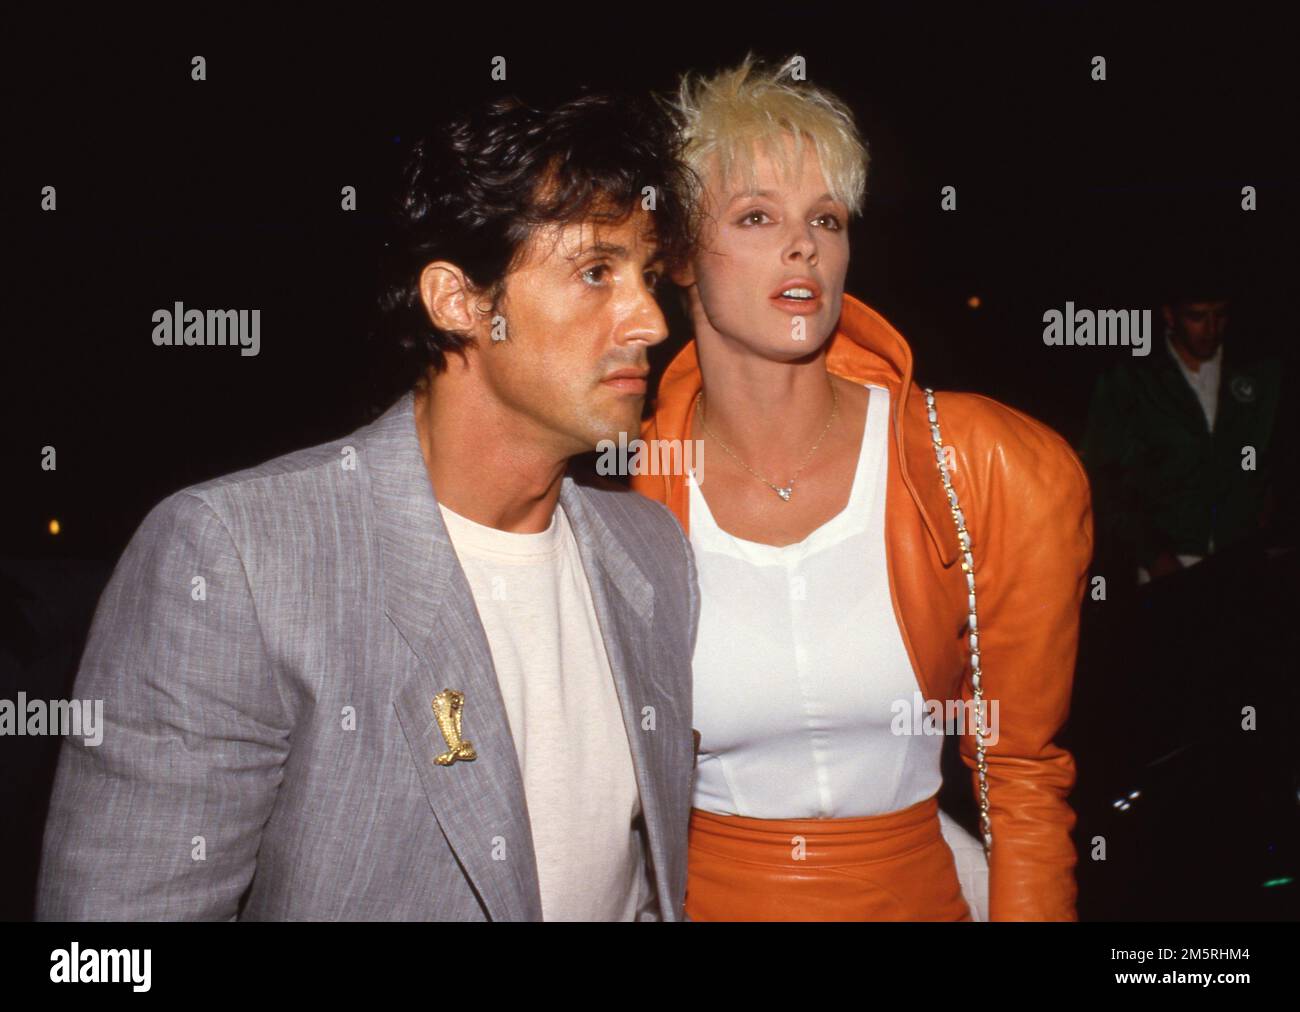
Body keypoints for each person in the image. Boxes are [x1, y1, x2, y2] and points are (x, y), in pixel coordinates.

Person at [36, 91, 700, 921]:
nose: (649, 319)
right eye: (597, 272)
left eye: (645, 276)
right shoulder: (237, 559)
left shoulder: (653, 555)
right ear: (458, 301)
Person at [631, 55, 1093, 921]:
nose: (802, 244)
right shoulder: (624, 503)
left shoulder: (983, 463)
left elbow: (1022, 772)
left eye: (827, 218)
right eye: (757, 215)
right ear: (682, 258)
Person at [1080, 281, 1286, 585]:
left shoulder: (1258, 375)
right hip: (1168, 562)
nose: (1211, 328)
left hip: (1242, 556)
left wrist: (1266, 530)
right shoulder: (1132, 382)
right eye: (1197, 316)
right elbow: (1104, 476)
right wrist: (1152, 554)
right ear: (1170, 315)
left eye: (1220, 315)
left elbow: (1271, 459)